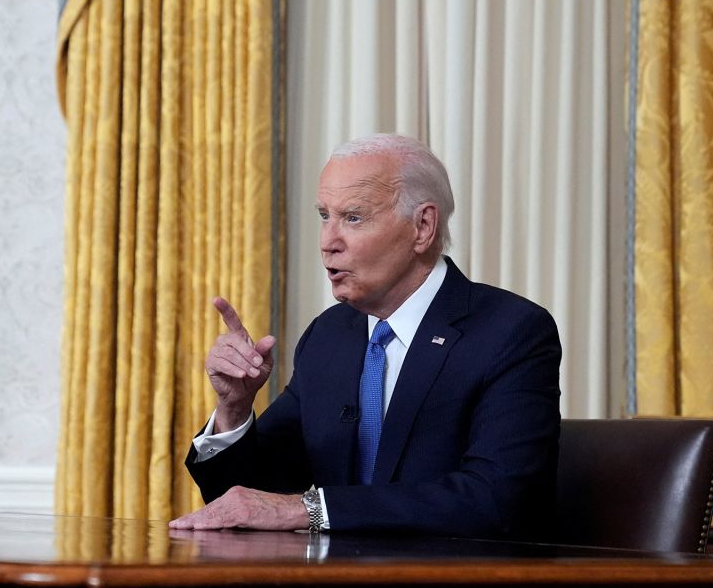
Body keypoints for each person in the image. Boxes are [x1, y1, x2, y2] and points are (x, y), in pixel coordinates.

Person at [169, 134, 561, 539]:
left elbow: (497, 500)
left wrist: (312, 510)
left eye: (353, 218)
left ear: (422, 227)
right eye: (324, 216)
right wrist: (234, 409)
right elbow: (246, 498)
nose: (327, 242)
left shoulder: (510, 331)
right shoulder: (329, 335)